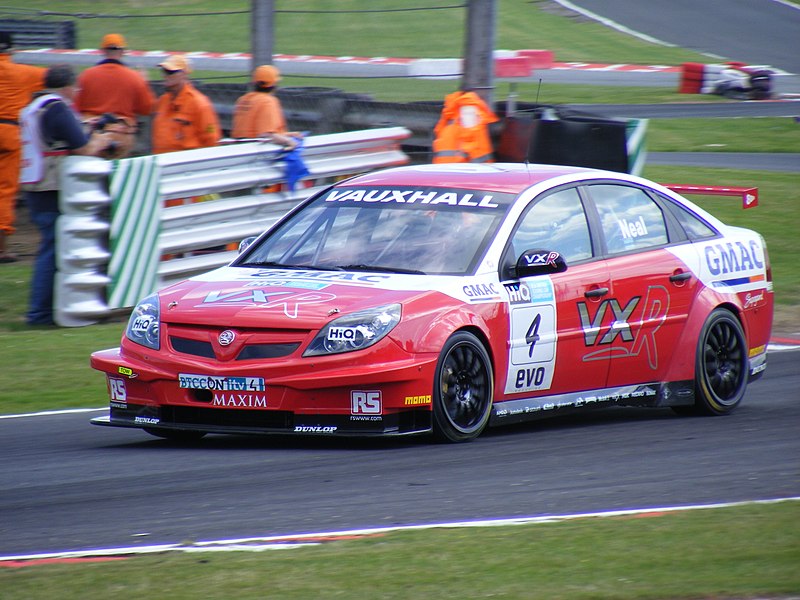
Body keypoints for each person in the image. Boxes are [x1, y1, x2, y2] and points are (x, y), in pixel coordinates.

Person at [19, 64, 114, 325]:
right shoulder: (57, 106)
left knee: (49, 247)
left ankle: (42, 311)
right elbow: (84, 148)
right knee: (53, 250)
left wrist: (86, 126)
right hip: (51, 187)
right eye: (76, 87)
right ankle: (40, 314)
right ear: (68, 86)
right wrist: (103, 138)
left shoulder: (35, 105)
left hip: (35, 184)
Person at [0, 31, 46, 262]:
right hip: (9, 132)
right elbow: (55, 77)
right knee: (5, 190)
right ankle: (1, 249)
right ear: (11, 50)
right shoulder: (22, 72)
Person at [74, 33, 156, 159]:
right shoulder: (134, 78)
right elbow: (147, 108)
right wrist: (145, 83)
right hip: (121, 134)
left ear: (102, 51)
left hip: (93, 134)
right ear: (123, 52)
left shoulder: (85, 76)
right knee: (116, 174)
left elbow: (75, 108)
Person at [151, 55, 221, 154]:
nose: (165, 76)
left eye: (170, 72)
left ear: (184, 74)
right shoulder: (163, 101)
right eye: (164, 71)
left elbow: (211, 139)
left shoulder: (199, 104)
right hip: (162, 160)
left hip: (187, 163)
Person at [232, 64, 298, 148]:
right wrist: (289, 141)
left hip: (238, 148)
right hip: (256, 151)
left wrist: (288, 135)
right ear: (274, 84)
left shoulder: (243, 99)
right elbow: (265, 135)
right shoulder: (268, 102)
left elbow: (254, 131)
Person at [432, 88, 498, 164]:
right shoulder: (474, 130)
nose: (470, 117)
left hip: (446, 171)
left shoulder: (447, 126)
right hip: (457, 172)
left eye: (472, 113)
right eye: (467, 113)